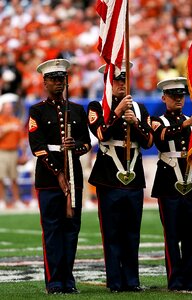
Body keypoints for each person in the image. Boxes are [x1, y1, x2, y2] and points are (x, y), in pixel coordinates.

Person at [87, 61, 153, 293]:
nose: (121, 84)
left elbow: (148, 142)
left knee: (132, 232)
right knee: (112, 232)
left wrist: (135, 123)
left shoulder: (139, 108)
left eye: (124, 80)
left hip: (133, 177)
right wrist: (115, 113)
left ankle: (132, 280)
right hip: (108, 178)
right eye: (117, 80)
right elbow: (101, 135)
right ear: (107, 82)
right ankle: (115, 281)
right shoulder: (97, 107)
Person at [28, 59, 91, 294]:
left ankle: (68, 280)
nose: (58, 83)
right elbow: (38, 147)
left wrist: (74, 148)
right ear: (44, 82)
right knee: (52, 230)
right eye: (53, 79)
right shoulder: (37, 110)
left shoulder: (76, 109)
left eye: (61, 79)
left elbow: (87, 144)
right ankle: (54, 281)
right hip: (48, 179)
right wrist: (58, 172)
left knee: (72, 229)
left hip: (74, 176)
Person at [151, 77, 192, 292]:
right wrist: (184, 125)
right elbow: (160, 138)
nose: (178, 99)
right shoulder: (157, 119)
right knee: (171, 235)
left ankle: (190, 278)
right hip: (168, 183)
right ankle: (175, 279)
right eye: (173, 96)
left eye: (181, 95)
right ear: (164, 98)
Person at [0, 93, 27, 210]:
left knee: (14, 178)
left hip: (14, 151)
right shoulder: (0, 121)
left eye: (10, 108)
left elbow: (21, 140)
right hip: (2, 151)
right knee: (0, 178)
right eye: (7, 108)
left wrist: (24, 154)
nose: (9, 110)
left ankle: (17, 200)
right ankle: (1, 201)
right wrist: (6, 130)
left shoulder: (16, 121)